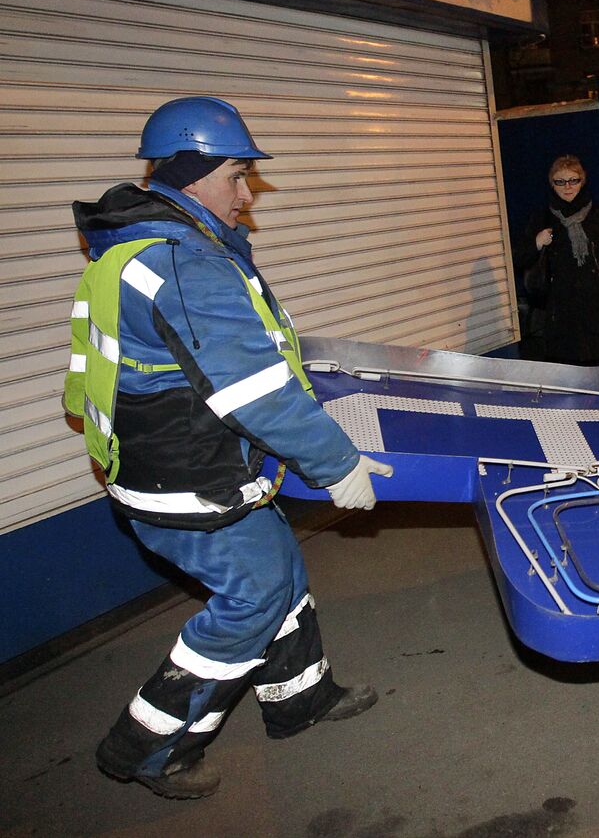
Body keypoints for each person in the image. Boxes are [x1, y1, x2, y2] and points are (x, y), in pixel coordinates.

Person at [63, 96, 394, 799]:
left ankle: (301, 697)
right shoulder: (183, 263)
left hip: (185, 458)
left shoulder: (153, 242)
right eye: (238, 176)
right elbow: (253, 393)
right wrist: (337, 464)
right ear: (192, 172)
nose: (248, 194)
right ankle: (146, 747)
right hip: (186, 475)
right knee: (254, 594)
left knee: (278, 569)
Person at [521, 155, 599, 365]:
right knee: (571, 373)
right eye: (560, 181)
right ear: (552, 183)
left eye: (573, 180)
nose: (567, 187)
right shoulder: (542, 218)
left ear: (582, 180)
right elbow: (521, 258)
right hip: (563, 313)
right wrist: (537, 242)